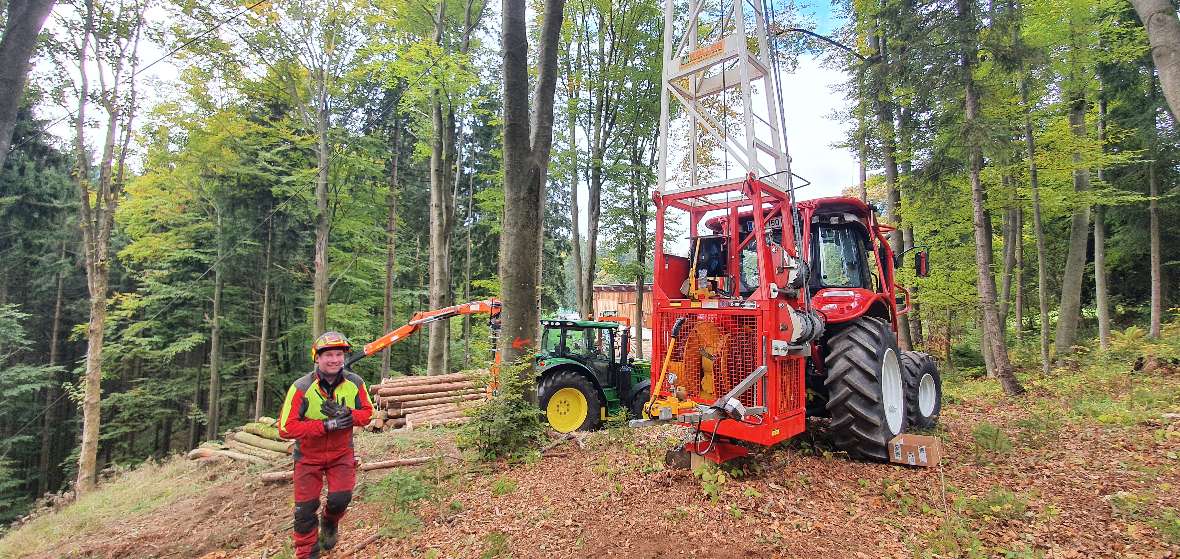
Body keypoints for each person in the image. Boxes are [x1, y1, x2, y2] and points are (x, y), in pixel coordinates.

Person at [278, 331, 374, 559]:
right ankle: (307, 554)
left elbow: (369, 414)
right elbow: (285, 428)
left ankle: (330, 521)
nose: (334, 360)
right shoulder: (301, 387)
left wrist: (348, 415)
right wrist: (325, 425)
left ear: (344, 357)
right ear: (317, 358)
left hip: (341, 455)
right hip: (308, 458)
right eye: (328, 355)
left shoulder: (355, 383)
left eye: (338, 354)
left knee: (340, 499)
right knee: (304, 511)